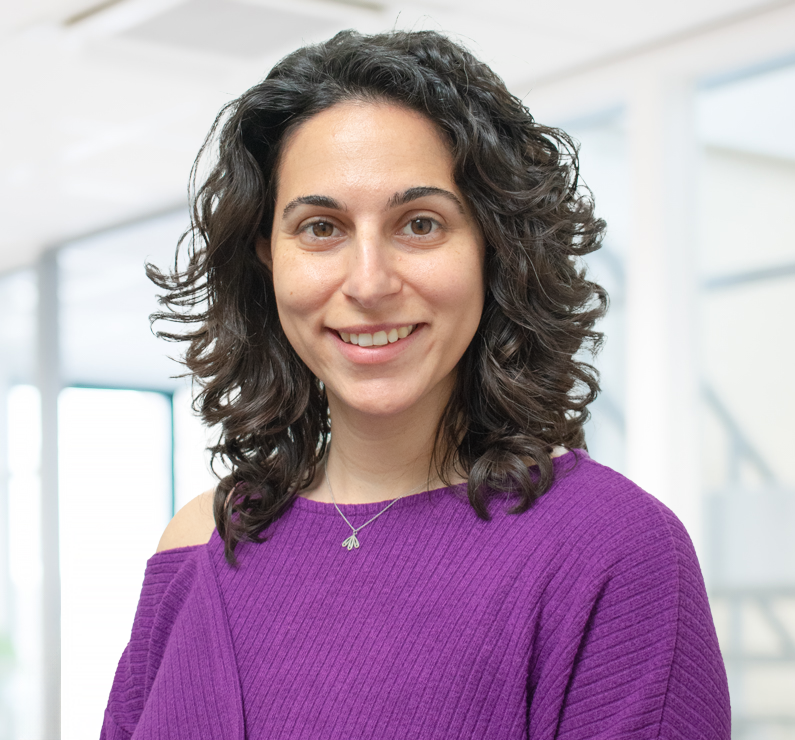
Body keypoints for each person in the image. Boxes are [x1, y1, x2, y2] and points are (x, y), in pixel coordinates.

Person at [101, 29, 730, 740]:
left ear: (495, 247)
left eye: (420, 224)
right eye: (320, 227)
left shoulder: (613, 551)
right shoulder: (199, 544)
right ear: (266, 257)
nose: (369, 283)